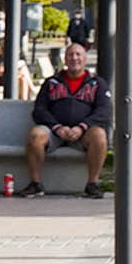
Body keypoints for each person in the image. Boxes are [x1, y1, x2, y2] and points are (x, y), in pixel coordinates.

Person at [23, 40, 107, 198]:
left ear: (85, 59)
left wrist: (82, 127)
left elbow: (104, 111)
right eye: (70, 55)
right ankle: (36, 183)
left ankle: (92, 184)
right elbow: (39, 110)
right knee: (35, 135)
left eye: (78, 55)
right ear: (65, 59)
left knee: (99, 135)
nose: (74, 58)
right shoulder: (51, 82)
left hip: (84, 133)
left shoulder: (98, 83)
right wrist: (57, 127)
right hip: (54, 131)